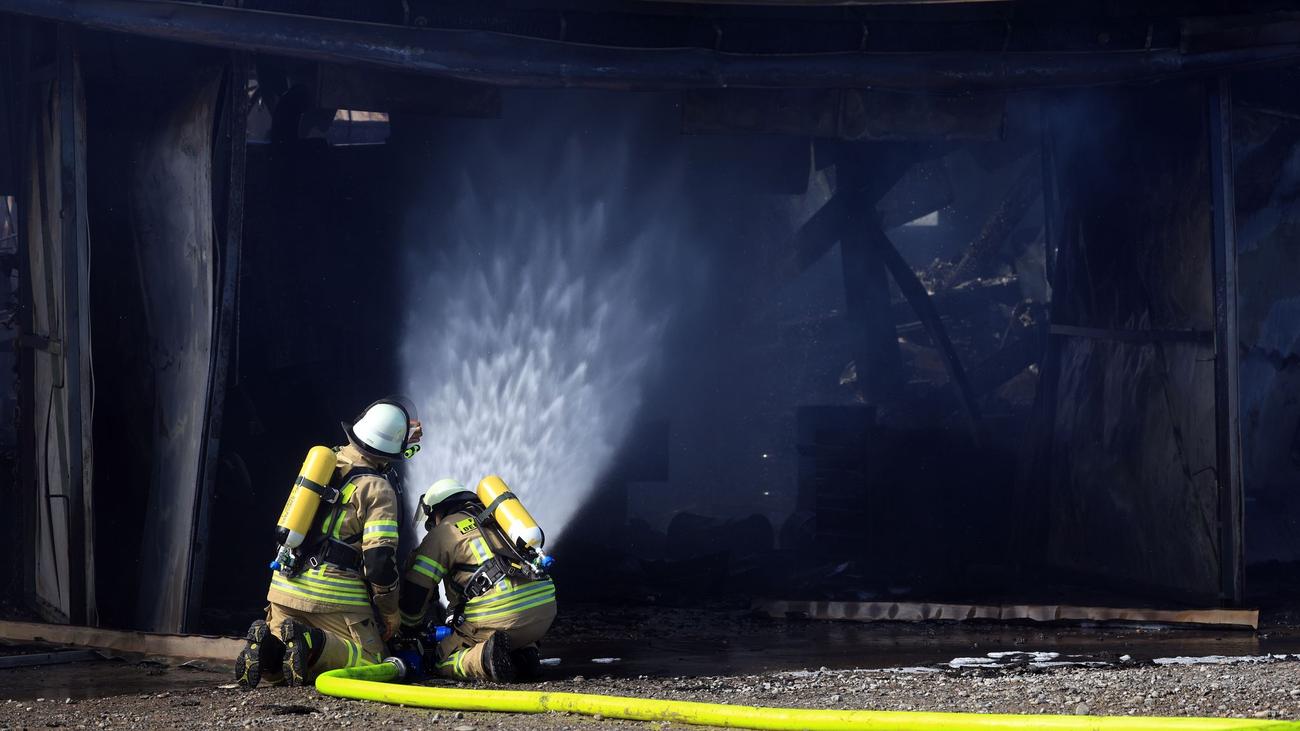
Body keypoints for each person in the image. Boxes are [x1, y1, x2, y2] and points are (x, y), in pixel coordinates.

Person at [234, 398, 422, 688]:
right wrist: (390, 611)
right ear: (392, 451)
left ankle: (266, 650)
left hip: (284, 588)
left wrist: (401, 435)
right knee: (373, 661)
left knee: (283, 666)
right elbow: (379, 562)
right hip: (333, 598)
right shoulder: (378, 489)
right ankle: (312, 642)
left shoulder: (325, 462)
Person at [398, 478, 557, 682]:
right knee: (511, 631)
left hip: (500, 617)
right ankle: (526, 655)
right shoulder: (499, 521)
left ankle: (485, 659)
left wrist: (408, 626)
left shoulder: (443, 531)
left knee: (442, 658)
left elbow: (417, 588)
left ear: (438, 510)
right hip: (544, 611)